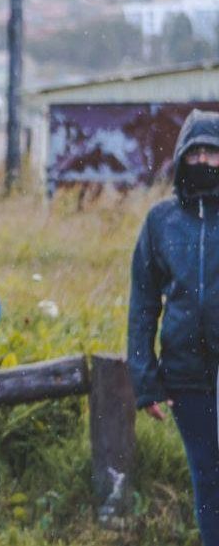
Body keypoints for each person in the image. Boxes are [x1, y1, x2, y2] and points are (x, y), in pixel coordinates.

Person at [128, 109, 219, 545]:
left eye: (212, 153)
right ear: (182, 157)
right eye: (195, 152)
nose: (203, 161)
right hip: (185, 374)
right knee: (206, 476)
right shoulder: (160, 221)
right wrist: (145, 381)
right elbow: (143, 305)